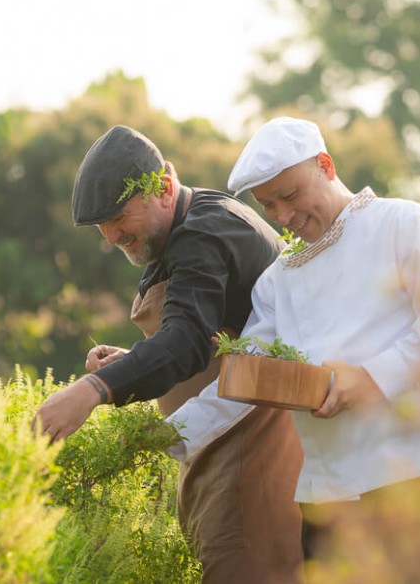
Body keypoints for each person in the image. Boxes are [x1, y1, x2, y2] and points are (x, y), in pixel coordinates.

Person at [168, 116, 420, 558]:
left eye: (291, 195)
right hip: (326, 498)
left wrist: (371, 378)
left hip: (415, 476)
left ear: (326, 165)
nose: (284, 216)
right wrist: (162, 435)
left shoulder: (404, 223)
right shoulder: (276, 282)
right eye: (269, 206)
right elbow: (244, 381)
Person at [34, 125, 305, 583]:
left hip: (251, 453)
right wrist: (131, 360)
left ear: (162, 188)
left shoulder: (206, 230)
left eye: (117, 216)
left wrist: (93, 389)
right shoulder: (176, 235)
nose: (110, 235)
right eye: (101, 225)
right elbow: (205, 340)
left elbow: (186, 341)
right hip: (213, 452)